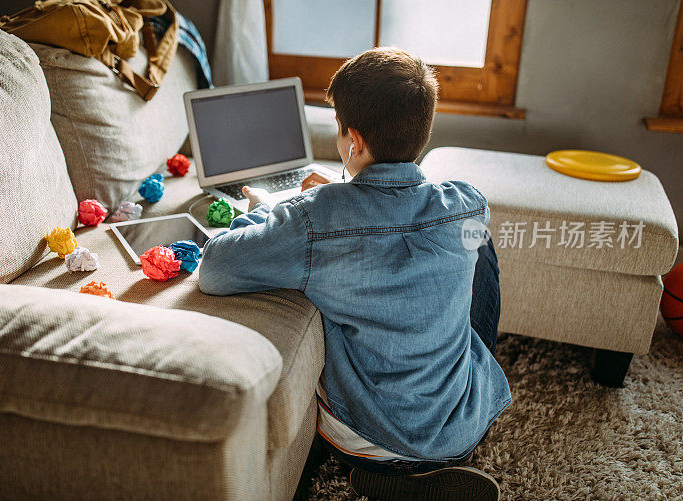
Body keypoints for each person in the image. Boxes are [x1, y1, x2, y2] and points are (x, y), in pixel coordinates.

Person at [199, 47, 511, 501]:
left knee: (325, 275)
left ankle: (392, 476)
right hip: (462, 420)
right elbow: (396, 222)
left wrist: (280, 212)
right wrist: (345, 197)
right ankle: (445, 451)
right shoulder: (464, 202)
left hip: (370, 436)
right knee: (477, 244)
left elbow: (215, 268)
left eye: (339, 129)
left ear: (355, 142)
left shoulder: (316, 219)